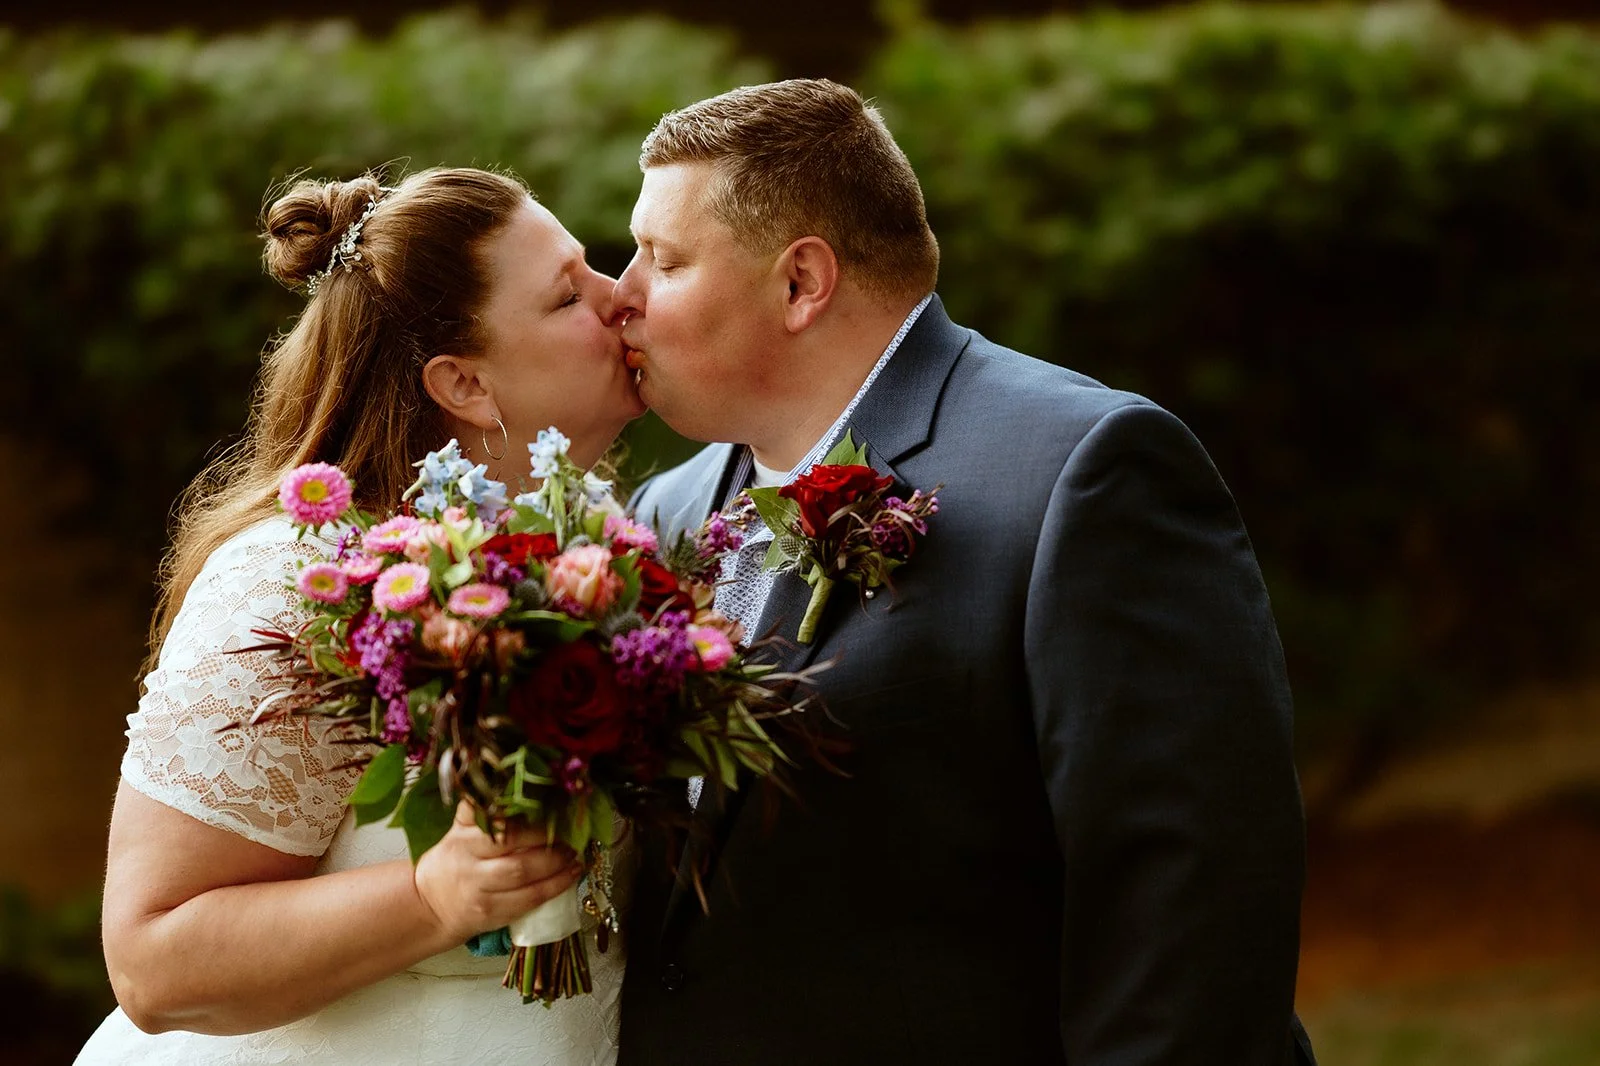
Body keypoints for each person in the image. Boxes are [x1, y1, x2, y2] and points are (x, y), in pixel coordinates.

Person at [616, 80, 1317, 1065]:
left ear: (798, 283)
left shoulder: (1082, 470)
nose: (622, 294)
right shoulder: (664, 515)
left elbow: (1189, 900)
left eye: (664, 258)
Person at [78, 167, 645, 1064]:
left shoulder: (599, 549)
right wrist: (435, 897)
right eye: (570, 293)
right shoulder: (298, 579)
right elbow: (154, 962)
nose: (627, 298)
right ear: (464, 383)